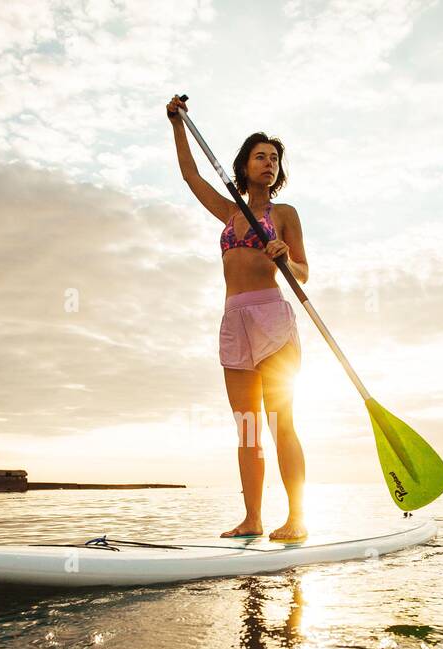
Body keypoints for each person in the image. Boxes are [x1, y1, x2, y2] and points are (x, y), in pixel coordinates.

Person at [166, 94, 309, 541]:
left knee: (280, 420)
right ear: (244, 165)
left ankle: (297, 518)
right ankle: (252, 518)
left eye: (274, 158)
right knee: (247, 428)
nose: (268, 163)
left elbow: (303, 274)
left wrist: (286, 256)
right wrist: (176, 122)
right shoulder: (229, 212)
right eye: (260, 156)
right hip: (234, 322)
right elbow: (190, 175)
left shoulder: (284, 215)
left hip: (272, 318)